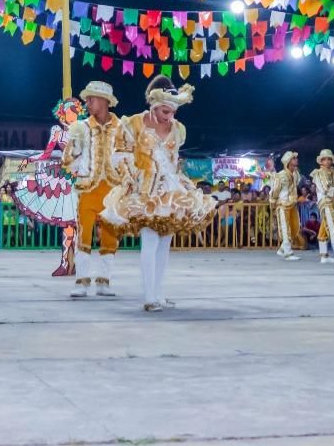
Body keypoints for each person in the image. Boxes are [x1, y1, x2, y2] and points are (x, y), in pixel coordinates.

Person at [101, 77, 216, 312]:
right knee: (151, 241)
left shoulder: (178, 129)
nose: (170, 115)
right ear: (153, 105)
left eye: (173, 111)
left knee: (165, 244)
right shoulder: (133, 123)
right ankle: (149, 296)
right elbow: (118, 155)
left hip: (170, 192)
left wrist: (178, 185)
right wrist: (131, 174)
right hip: (145, 190)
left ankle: (159, 293)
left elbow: (174, 161)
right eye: (165, 110)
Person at [61, 81, 123, 299]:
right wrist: (75, 153)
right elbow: (67, 160)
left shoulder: (121, 128)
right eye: (87, 99)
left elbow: (131, 158)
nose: (87, 103)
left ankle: (104, 281)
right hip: (87, 189)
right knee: (83, 235)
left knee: (110, 237)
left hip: (114, 190)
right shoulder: (81, 128)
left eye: (91, 99)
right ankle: (82, 281)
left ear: (105, 101)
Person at [14, 98, 83, 277]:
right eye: (69, 112)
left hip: (82, 180)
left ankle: (73, 263)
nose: (72, 115)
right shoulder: (57, 131)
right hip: (66, 182)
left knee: (79, 225)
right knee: (69, 225)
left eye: (75, 112)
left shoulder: (84, 130)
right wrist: (30, 160)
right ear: (63, 113)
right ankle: (65, 263)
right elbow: (46, 154)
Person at [310, 149, 334, 264]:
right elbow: (327, 190)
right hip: (325, 202)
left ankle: (324, 255)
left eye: (329, 159)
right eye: (325, 159)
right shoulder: (318, 173)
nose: (327, 161)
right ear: (321, 161)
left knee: (325, 227)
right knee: (333, 227)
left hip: (332, 202)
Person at [267, 152, 303, 261]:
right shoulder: (281, 175)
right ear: (288, 161)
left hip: (292, 204)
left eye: (296, 158)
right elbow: (275, 190)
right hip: (282, 204)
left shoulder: (296, 174)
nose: (296, 160)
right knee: (285, 227)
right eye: (293, 158)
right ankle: (288, 253)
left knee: (295, 227)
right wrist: (273, 203)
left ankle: (282, 249)